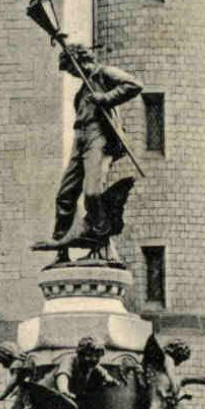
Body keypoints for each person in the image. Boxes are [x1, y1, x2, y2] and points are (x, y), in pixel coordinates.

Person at [36, 43, 142, 264]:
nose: (72, 74)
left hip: (97, 136)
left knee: (92, 193)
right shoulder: (83, 89)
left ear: (81, 61)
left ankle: (100, 237)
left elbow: (133, 84)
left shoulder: (103, 74)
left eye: (71, 69)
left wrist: (106, 98)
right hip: (80, 137)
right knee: (65, 195)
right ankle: (61, 249)